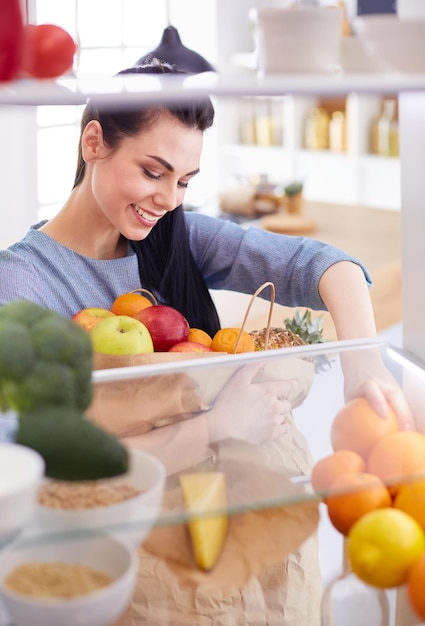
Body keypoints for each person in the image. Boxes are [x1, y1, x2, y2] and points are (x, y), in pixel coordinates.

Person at [0, 59, 413, 624]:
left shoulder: (176, 236)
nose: (169, 199)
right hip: (134, 553)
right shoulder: (22, 284)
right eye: (153, 171)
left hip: (242, 534)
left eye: (185, 182)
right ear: (93, 141)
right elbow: (35, 470)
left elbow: (326, 265)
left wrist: (362, 366)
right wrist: (216, 426)